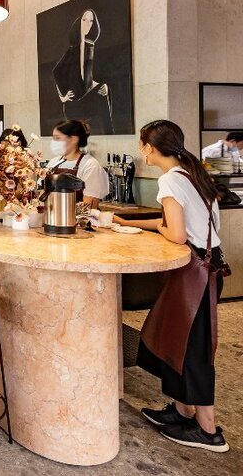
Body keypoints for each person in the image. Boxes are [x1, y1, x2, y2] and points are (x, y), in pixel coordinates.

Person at [115, 120, 229, 453]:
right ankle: (181, 412)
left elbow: (177, 233)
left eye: (142, 144)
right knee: (172, 341)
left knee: (193, 351)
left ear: (149, 147)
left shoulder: (168, 180)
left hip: (195, 273)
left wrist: (154, 229)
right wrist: (128, 221)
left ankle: (208, 431)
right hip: (205, 269)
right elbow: (175, 221)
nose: (141, 151)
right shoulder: (191, 174)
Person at [52, 9, 114, 134]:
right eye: (84, 20)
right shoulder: (72, 50)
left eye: (91, 21)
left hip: (88, 98)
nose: (87, 24)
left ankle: (109, 133)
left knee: (103, 90)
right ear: (79, 22)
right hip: (74, 103)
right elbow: (56, 71)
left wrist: (105, 87)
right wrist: (62, 97)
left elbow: (88, 79)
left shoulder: (90, 46)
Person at [47, 119, 109, 209]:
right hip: (52, 218)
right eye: (54, 138)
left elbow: (89, 207)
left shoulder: (90, 165)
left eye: (57, 138)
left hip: (78, 221)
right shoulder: (53, 162)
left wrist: (64, 214)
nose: (54, 142)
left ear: (73, 139)